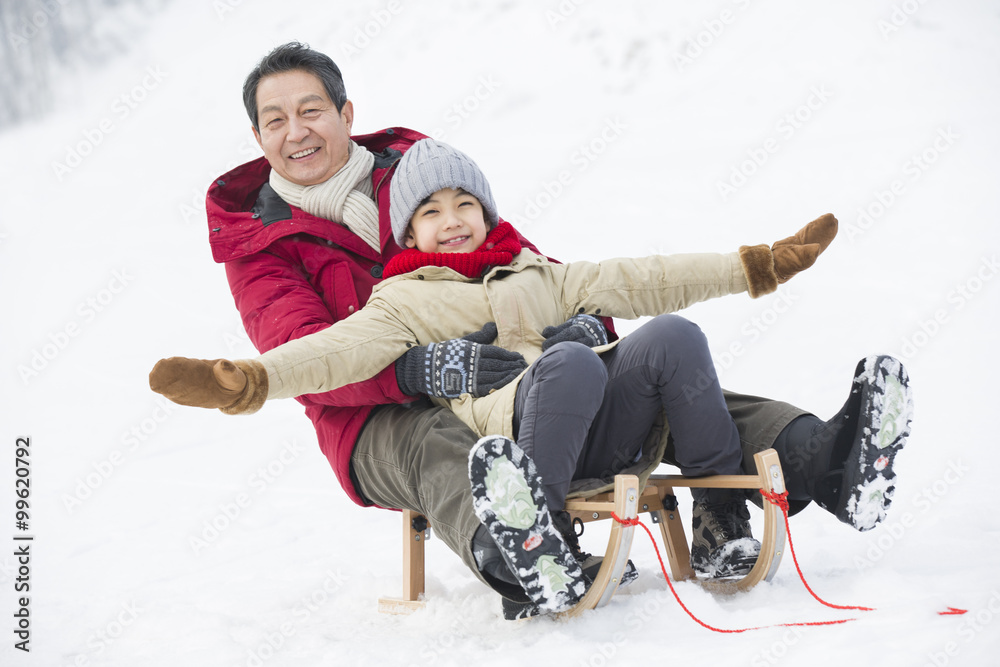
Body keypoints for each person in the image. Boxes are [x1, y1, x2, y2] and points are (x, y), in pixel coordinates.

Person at [158, 42, 911, 618]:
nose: (297, 131)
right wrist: (406, 374)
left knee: (660, 365)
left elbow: (563, 272)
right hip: (368, 414)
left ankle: (824, 458)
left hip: (531, 382)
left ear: (346, 113)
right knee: (435, 440)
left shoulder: (419, 171)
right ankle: (519, 550)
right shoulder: (259, 244)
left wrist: (592, 322)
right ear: (257, 136)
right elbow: (321, 351)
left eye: (311, 109)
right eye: (276, 119)